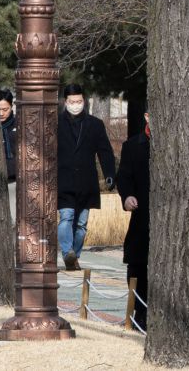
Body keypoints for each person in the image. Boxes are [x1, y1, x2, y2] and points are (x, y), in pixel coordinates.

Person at [57, 84, 116, 271]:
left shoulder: (95, 124)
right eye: (72, 101)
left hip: (86, 181)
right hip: (63, 179)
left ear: (84, 101)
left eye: (79, 101)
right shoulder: (55, 123)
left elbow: (105, 151)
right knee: (66, 217)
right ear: (65, 102)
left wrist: (109, 174)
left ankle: (74, 257)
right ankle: (67, 252)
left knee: (81, 224)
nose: (76, 105)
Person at [117, 109, 150, 330]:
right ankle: (139, 311)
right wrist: (127, 196)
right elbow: (124, 176)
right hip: (142, 214)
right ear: (146, 116)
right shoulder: (132, 145)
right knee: (138, 265)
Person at [0, 89, 17, 223]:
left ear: (11, 106)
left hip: (15, 179)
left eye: (5, 109)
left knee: (14, 220)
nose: (1, 113)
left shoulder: (19, 125)